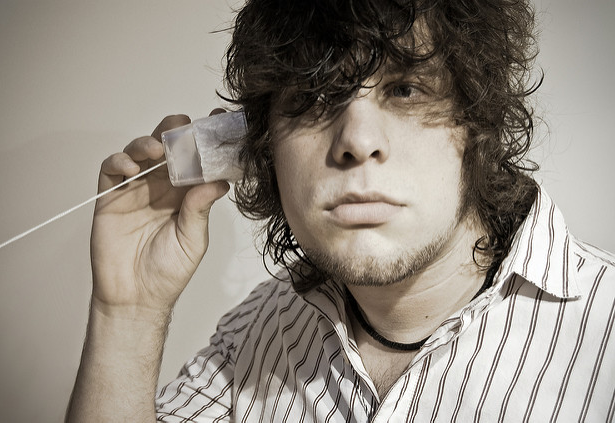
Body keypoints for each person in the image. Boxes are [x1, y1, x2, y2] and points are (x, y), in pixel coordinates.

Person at [66, 0, 615, 421]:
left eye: (404, 89)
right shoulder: (258, 328)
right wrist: (128, 315)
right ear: (263, 149)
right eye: (316, 96)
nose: (356, 140)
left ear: (475, 123)